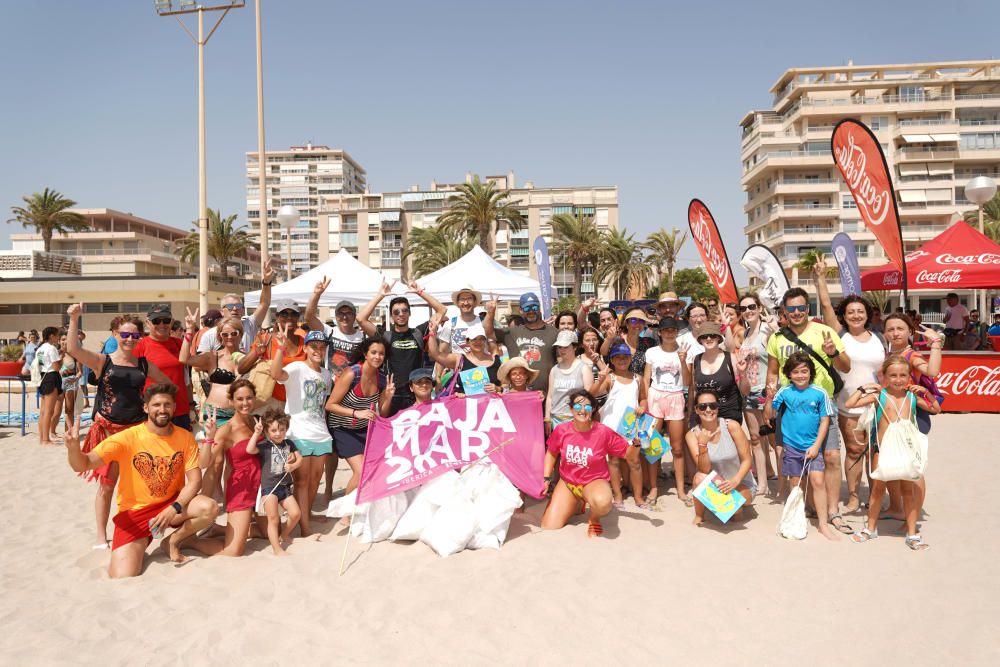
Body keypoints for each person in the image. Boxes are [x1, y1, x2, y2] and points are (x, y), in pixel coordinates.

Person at [62, 383, 220, 578]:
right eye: (156, 405)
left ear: (174, 408)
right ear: (146, 408)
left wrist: (173, 509)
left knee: (209, 507)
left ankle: (172, 541)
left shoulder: (185, 437)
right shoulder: (127, 438)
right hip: (136, 514)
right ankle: (143, 541)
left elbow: (195, 481)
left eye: (167, 405)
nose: (162, 409)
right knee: (122, 575)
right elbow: (83, 464)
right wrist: (73, 449)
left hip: (171, 506)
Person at [65, 303, 172, 548]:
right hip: (108, 432)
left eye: (135, 335)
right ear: (115, 334)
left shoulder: (143, 365)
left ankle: (143, 527)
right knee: (107, 485)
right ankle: (101, 535)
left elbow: (167, 386)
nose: (130, 339)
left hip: (137, 432)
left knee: (143, 483)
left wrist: (158, 407)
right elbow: (73, 348)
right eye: (125, 334)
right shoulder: (103, 361)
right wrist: (74, 319)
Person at [766, 287, 852, 534]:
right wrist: (768, 397)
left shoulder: (824, 331)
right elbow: (773, 371)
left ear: (808, 309)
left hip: (823, 404)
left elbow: (846, 366)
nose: (796, 313)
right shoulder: (777, 338)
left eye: (801, 307)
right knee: (795, 458)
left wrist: (832, 352)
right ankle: (805, 507)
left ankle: (833, 510)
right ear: (784, 311)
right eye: (791, 309)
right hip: (790, 408)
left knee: (832, 457)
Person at [814, 258, 886, 512]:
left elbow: (887, 370)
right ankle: (854, 495)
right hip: (847, 404)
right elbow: (825, 304)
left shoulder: (879, 337)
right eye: (850, 312)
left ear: (867, 315)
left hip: (878, 405)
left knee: (875, 451)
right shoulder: (839, 333)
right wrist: (820, 277)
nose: (856, 315)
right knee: (855, 451)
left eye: (860, 311)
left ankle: (875, 495)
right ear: (844, 316)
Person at [846, 355, 940, 550]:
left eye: (903, 375)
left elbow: (936, 409)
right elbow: (850, 404)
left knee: (908, 491)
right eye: (893, 375)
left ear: (909, 377)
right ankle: (870, 529)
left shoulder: (912, 397)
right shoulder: (878, 396)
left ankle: (912, 533)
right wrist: (864, 388)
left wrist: (927, 393)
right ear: (885, 377)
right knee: (878, 490)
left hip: (905, 449)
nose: (898, 379)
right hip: (882, 450)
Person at [541, 390, 640, 536]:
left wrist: (636, 445)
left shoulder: (603, 432)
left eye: (587, 407)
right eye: (578, 406)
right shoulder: (562, 430)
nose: (582, 410)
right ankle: (578, 503)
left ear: (593, 410)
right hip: (568, 482)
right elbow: (551, 453)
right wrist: (546, 479)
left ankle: (594, 518)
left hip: (593, 482)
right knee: (549, 526)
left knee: (603, 503)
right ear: (571, 409)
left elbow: (629, 455)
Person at [766, 352, 838, 541]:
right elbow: (770, 414)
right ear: (789, 374)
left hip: (812, 447)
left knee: (817, 482)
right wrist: (769, 396)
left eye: (804, 371)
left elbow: (824, 421)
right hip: (791, 446)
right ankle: (798, 516)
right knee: (796, 484)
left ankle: (823, 523)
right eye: (796, 372)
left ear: (810, 373)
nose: (800, 375)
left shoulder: (819, 393)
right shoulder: (785, 392)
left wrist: (816, 446)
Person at [270, 329, 332, 538]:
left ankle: (306, 514)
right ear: (305, 348)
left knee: (315, 480)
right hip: (299, 432)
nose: (318, 350)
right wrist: (280, 348)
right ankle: (305, 528)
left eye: (322, 347)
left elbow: (322, 404)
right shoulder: (297, 367)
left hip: (321, 433)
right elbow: (276, 374)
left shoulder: (326, 374)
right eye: (314, 346)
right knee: (302, 481)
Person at [356, 279, 447, 414]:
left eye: (404, 310)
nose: (401, 314)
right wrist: (380, 295)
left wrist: (419, 292)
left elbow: (442, 310)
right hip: (391, 394)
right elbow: (361, 319)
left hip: (416, 394)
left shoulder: (419, 332)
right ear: (391, 316)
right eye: (396, 312)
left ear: (409, 313)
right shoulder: (385, 336)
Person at [325, 337, 395, 500]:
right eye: (373, 353)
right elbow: (330, 405)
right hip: (343, 428)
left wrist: (389, 396)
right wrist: (357, 412)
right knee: (362, 470)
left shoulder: (382, 378)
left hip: (364, 429)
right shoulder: (352, 374)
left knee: (375, 469)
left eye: (381, 354)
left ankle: (359, 505)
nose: (377, 357)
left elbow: (383, 414)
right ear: (365, 353)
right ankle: (346, 513)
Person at [203, 379, 261, 556]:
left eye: (249, 398)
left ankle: (219, 531)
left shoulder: (256, 421)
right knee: (234, 551)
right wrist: (209, 438)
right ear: (232, 401)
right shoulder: (226, 430)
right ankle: (192, 542)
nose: (245, 403)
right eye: (240, 399)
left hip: (260, 487)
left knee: (269, 532)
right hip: (241, 488)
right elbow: (206, 463)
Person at [686, 389, 756, 525]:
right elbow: (704, 470)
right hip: (715, 484)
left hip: (739, 483)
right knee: (698, 477)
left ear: (718, 408)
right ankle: (700, 515)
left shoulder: (732, 426)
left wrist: (735, 481)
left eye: (712, 405)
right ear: (696, 410)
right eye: (702, 406)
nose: (708, 410)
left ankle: (734, 508)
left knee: (734, 510)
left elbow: (747, 460)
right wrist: (702, 445)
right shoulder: (692, 435)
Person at [732, 293, 779, 496]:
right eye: (743, 308)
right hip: (748, 391)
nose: (748, 311)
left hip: (768, 390)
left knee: (775, 440)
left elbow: (777, 361)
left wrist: (775, 331)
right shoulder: (746, 334)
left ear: (759, 308)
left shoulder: (767, 331)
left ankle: (785, 483)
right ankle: (763, 484)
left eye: (752, 306)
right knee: (755, 438)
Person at [641, 316, 692, 505]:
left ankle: (680, 490)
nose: (670, 333)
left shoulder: (684, 351)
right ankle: (654, 488)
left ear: (677, 332)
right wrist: (645, 401)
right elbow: (646, 380)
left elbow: (687, 382)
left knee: (677, 448)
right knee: (654, 447)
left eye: (673, 330)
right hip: (655, 397)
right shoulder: (652, 352)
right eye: (666, 330)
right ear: (659, 332)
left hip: (676, 397)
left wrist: (684, 360)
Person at [592, 342, 646, 508]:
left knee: (634, 462)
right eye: (618, 357)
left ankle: (638, 497)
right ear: (612, 360)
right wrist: (600, 378)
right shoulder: (610, 378)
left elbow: (643, 398)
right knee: (613, 462)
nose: (622, 360)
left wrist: (643, 406)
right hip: (611, 427)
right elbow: (591, 394)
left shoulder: (638, 378)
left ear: (630, 359)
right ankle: (617, 496)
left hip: (631, 426)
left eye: (625, 357)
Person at [247, 408, 302, 556]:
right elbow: (249, 449)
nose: (278, 433)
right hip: (269, 488)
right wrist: (256, 433)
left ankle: (284, 534)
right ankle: (277, 549)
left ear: (286, 429)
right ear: (267, 431)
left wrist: (293, 466)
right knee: (273, 519)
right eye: (273, 430)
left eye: (282, 429)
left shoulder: (289, 443)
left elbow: (300, 459)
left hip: (284, 486)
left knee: (296, 514)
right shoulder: (265, 445)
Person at [240, 299, 307, 411]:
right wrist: (257, 352)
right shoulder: (266, 339)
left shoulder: (305, 342)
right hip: (270, 402)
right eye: (284, 314)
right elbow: (241, 368)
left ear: (298, 317)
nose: (289, 317)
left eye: (293, 314)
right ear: (277, 316)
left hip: (298, 401)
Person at [196, 259, 274, 354]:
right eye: (230, 306)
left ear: (242, 309)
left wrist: (266, 282)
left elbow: (264, 303)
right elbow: (200, 364)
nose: (234, 309)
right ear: (221, 311)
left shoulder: (250, 324)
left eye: (238, 305)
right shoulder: (210, 335)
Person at [134, 305, 192, 430]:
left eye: (166, 320)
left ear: (171, 322)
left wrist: (191, 405)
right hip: (154, 413)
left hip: (180, 410)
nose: (162, 324)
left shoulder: (179, 344)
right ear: (148, 323)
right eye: (156, 321)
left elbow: (186, 378)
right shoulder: (140, 346)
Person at [489, 292, 558, 393]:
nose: (531, 311)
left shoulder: (554, 333)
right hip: (519, 395)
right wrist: (491, 312)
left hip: (546, 394)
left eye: (534, 307)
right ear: (521, 310)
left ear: (539, 308)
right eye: (526, 308)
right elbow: (489, 333)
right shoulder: (511, 332)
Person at [688, 321, 747, 425]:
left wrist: (743, 374)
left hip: (728, 412)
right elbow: (694, 390)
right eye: (705, 336)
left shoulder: (731, 358)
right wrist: (691, 413)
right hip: (704, 413)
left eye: (712, 335)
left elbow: (745, 392)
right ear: (700, 340)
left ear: (719, 338)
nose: (709, 339)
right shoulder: (696, 359)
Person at [303, 279, 365, 377]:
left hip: (354, 388)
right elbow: (309, 318)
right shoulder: (329, 331)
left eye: (348, 313)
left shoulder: (363, 337)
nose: (344, 317)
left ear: (354, 316)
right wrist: (316, 294)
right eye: (341, 313)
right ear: (335, 317)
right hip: (331, 387)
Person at [428, 319, 502, 394]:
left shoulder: (494, 360)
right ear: (467, 342)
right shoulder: (459, 359)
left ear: (485, 341)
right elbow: (436, 354)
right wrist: (432, 333)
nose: (478, 342)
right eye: (474, 339)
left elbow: (506, 384)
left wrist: (498, 389)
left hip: (491, 404)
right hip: (465, 404)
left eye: (481, 339)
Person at [544, 330, 594, 432]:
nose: (562, 350)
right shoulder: (554, 370)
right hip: (555, 420)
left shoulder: (584, 368)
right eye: (559, 347)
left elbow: (590, 396)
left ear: (575, 347)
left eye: (566, 347)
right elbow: (550, 396)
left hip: (576, 420)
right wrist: (547, 417)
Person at [600, 307, 656, 377]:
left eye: (641, 321)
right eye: (633, 320)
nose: (637, 324)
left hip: (641, 385)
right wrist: (609, 338)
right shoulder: (617, 341)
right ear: (626, 323)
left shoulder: (649, 343)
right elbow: (603, 353)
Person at [435, 284, 485, 355]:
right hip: (458, 365)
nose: (466, 303)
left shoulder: (484, 322)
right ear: (458, 303)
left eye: (469, 299)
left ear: (474, 301)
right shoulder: (450, 324)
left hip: (482, 365)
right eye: (462, 299)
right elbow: (442, 353)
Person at [36, 326, 64, 446]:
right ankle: (45, 439)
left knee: (43, 411)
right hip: (51, 377)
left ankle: (42, 437)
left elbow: (43, 364)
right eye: (57, 335)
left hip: (43, 377)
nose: (58, 338)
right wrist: (61, 358)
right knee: (49, 411)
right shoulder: (51, 348)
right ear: (51, 336)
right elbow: (56, 367)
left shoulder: (40, 348)